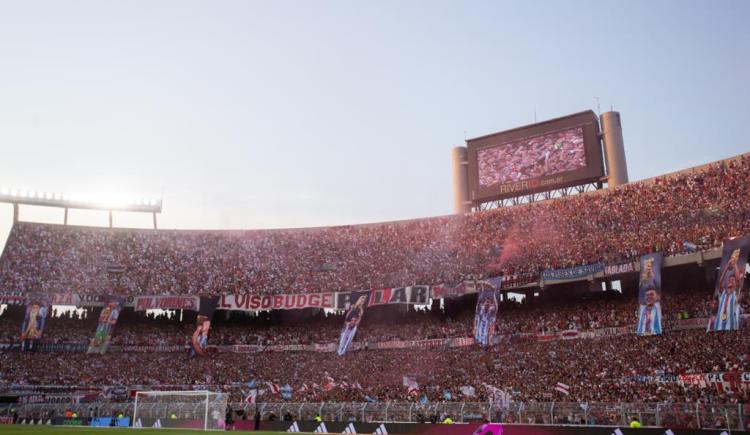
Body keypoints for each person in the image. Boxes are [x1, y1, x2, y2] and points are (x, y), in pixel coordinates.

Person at [713, 249, 743, 331]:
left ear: (734, 284)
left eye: (732, 280)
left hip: (731, 325)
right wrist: (727, 266)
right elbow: (720, 281)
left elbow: (738, 281)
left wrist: (735, 264)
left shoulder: (735, 293)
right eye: (730, 280)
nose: (731, 281)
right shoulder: (723, 293)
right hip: (719, 325)